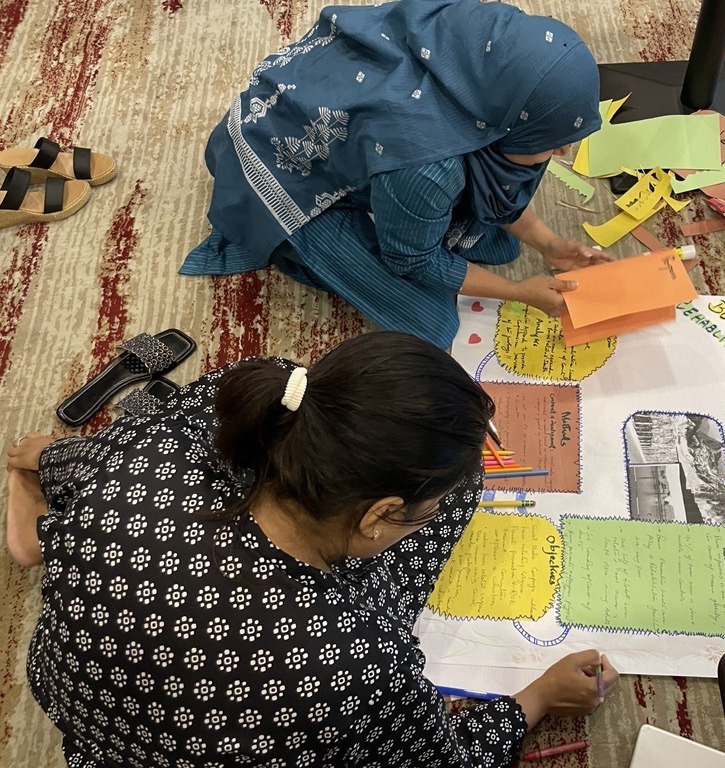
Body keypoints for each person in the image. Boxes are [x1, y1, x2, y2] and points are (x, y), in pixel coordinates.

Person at [6, 331, 618, 767]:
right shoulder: (358, 659)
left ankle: (39, 497)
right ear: (379, 516)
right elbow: (441, 758)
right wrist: (536, 699)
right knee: (462, 489)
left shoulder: (212, 413)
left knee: (115, 465)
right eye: (413, 516)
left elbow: (137, 456)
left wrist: (51, 459)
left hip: (75, 701)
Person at [179, 0, 613, 350]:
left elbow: (501, 190)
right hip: (269, 161)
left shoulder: (474, 48)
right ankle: (289, 238)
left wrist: (551, 244)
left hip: (335, 121)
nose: (563, 151)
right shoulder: (425, 166)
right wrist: (518, 292)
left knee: (490, 234)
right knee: (431, 319)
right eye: (553, 138)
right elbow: (412, 259)